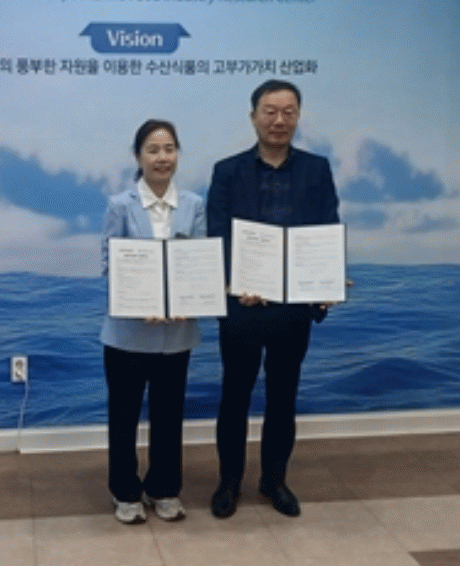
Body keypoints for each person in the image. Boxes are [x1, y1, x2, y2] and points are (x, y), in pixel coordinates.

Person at [207, 80, 340, 519]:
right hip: (242, 307)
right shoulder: (227, 172)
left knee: (283, 398)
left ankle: (274, 481)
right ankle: (229, 484)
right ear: (253, 117)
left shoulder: (317, 170)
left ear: (298, 117)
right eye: (270, 111)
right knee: (235, 397)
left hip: (292, 308)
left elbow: (326, 227)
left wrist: (326, 280)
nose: (279, 120)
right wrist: (235, 283)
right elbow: (218, 235)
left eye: (288, 111)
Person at [100, 119, 205, 524]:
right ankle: (125, 491)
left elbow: (199, 261)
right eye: (153, 149)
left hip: (176, 333)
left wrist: (193, 298)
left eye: (169, 149)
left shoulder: (193, 204)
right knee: (124, 417)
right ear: (138, 156)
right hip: (128, 333)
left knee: (168, 417)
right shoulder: (120, 205)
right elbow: (110, 264)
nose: (163, 157)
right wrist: (134, 302)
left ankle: (164, 488)